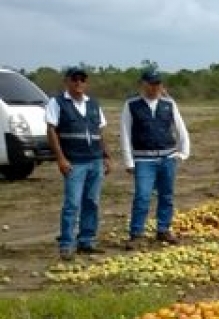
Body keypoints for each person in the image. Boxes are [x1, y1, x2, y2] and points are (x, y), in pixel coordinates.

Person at [46, 66, 112, 261]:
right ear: (67, 81)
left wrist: (106, 156)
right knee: (72, 204)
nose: (78, 83)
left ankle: (87, 241)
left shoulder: (93, 104)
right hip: (74, 161)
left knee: (92, 202)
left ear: (86, 83)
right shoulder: (57, 103)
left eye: (82, 80)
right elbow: (51, 131)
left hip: (94, 160)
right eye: (74, 79)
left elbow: (99, 132)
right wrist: (60, 158)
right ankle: (67, 244)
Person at [119, 67, 190, 249]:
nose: (154, 87)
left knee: (166, 196)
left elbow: (180, 128)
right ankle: (136, 233)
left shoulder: (168, 104)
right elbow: (125, 133)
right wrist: (128, 161)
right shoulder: (132, 105)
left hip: (167, 157)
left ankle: (163, 229)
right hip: (143, 160)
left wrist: (182, 153)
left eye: (157, 84)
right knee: (142, 196)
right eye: (150, 84)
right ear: (143, 84)